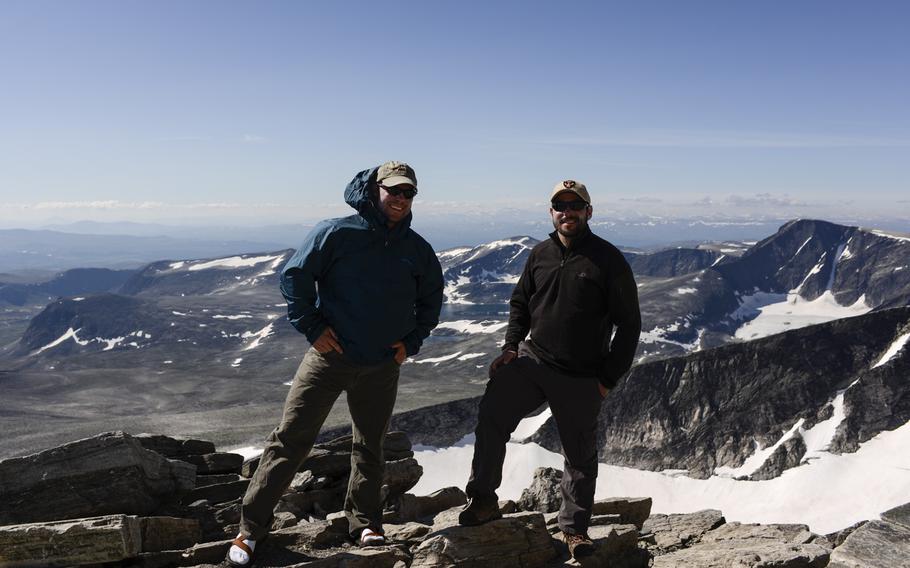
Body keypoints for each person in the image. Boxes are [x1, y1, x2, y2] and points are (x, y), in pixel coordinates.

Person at [227, 161, 444, 567]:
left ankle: (365, 522)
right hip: (329, 359)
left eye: (408, 193)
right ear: (374, 189)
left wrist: (411, 341)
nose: (399, 199)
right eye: (393, 190)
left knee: (370, 445)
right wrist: (312, 327)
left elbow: (432, 298)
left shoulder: (417, 249)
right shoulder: (336, 232)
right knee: (290, 439)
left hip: (381, 365)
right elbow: (295, 277)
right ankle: (250, 531)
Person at [459, 180, 641, 561]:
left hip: (581, 374)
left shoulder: (608, 260)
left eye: (576, 205)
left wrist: (607, 379)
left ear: (589, 212)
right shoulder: (540, 254)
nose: (567, 211)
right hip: (532, 361)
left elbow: (629, 324)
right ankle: (482, 501)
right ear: (552, 211)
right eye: (561, 205)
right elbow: (520, 303)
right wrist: (510, 347)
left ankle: (574, 530)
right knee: (492, 417)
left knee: (579, 455)